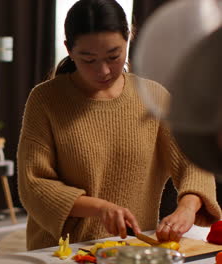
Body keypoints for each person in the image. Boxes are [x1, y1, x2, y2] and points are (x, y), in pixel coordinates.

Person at [17, 0, 221, 250]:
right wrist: (100, 208)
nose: (103, 70)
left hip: (131, 250)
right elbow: (34, 183)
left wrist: (188, 207)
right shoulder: (45, 100)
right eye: (88, 59)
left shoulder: (153, 97)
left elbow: (195, 161)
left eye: (113, 56)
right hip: (61, 251)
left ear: (129, 37)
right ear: (68, 49)